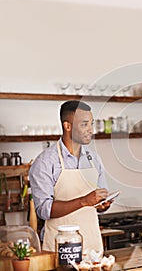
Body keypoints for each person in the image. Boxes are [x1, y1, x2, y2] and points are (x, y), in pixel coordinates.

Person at [29, 100, 111, 253]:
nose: (91, 130)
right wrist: (84, 201)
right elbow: (44, 210)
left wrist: (102, 205)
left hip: (92, 247)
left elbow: (98, 200)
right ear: (67, 126)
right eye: (84, 124)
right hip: (60, 248)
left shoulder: (94, 159)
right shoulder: (45, 162)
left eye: (91, 124)